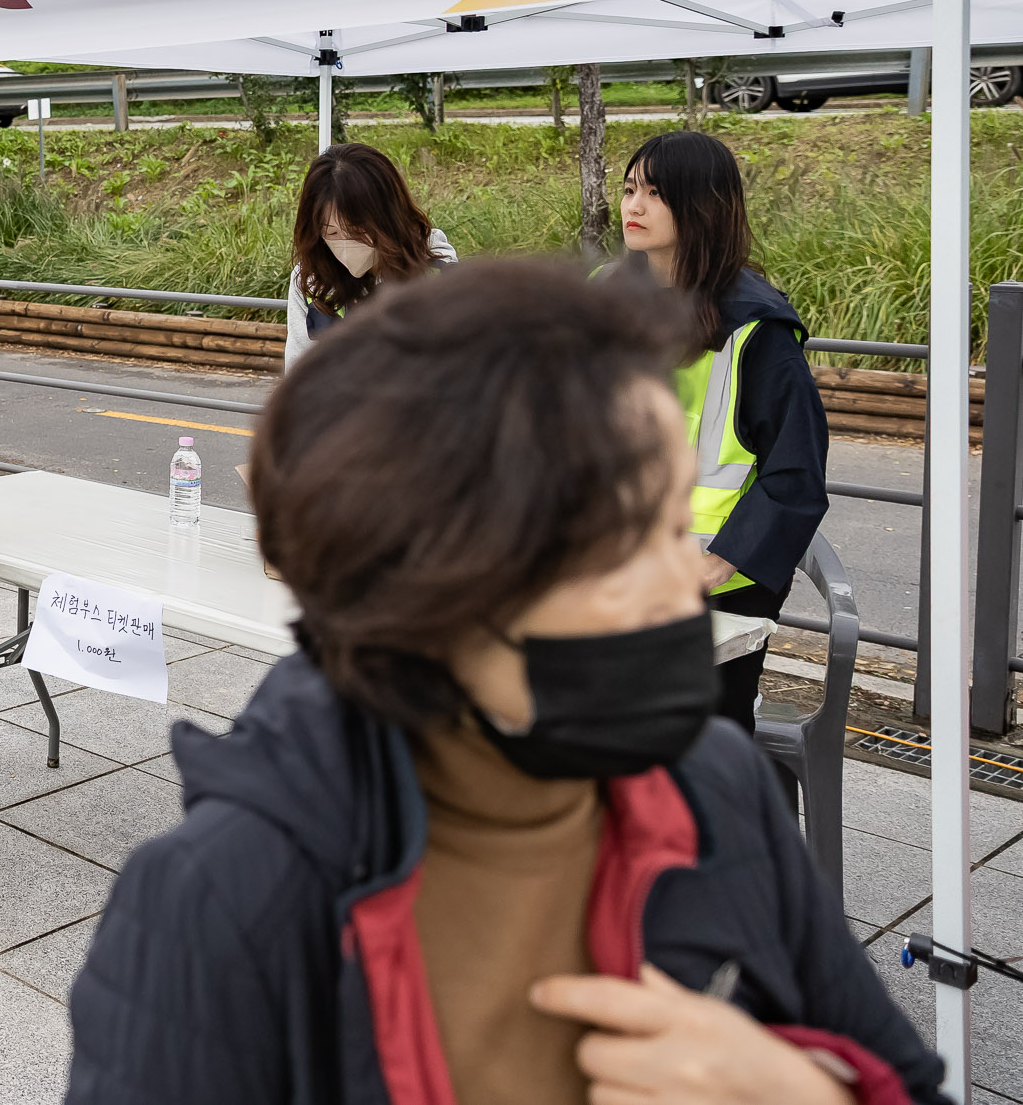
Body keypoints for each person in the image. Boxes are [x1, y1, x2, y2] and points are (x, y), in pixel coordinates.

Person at [64, 260, 945, 1105]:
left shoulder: (715, 789)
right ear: (441, 586)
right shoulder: (221, 902)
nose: (682, 574)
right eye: (621, 543)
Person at [611, 129, 827, 730]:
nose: (633, 206)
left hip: (714, 578)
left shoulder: (757, 329)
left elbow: (796, 473)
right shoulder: (607, 300)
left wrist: (717, 567)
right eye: (629, 189)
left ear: (704, 204)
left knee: (695, 747)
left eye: (655, 193)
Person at [280, 141, 455, 371]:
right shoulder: (310, 280)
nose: (345, 244)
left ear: (388, 218)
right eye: (331, 232)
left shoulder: (434, 266)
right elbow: (299, 371)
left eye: (357, 230)